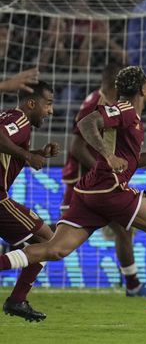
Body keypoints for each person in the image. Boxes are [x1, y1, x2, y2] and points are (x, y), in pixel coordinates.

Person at [0, 67, 146, 318]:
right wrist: (106, 155)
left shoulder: (132, 117)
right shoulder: (124, 109)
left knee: (55, 249)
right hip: (109, 188)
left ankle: (15, 291)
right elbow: (87, 122)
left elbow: (129, 162)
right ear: (144, 89)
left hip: (90, 191)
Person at [60, 63, 146, 298]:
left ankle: (133, 284)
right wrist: (106, 166)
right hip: (86, 181)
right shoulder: (97, 105)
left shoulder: (109, 105)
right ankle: (19, 241)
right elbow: (77, 147)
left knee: (122, 230)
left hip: (99, 182)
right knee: (55, 241)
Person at [0, 81, 59, 322]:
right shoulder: (21, 120)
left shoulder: (14, 120)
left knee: (44, 240)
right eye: (48, 104)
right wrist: (27, 155)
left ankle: (18, 300)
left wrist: (36, 153)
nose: (51, 111)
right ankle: (17, 300)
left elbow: (7, 148)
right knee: (48, 240)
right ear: (31, 103)